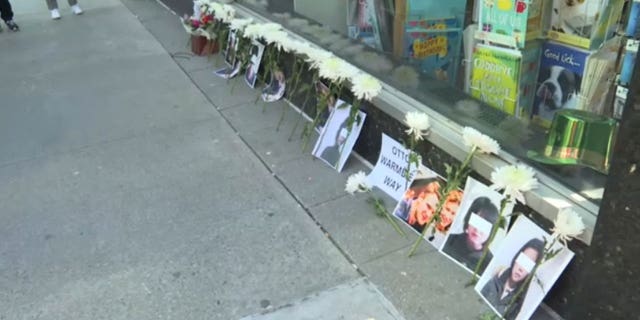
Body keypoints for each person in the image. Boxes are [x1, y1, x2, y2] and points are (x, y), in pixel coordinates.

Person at [480, 238, 545, 320]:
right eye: (523, 260)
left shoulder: (519, 301)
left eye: (528, 264)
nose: (521, 268)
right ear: (516, 258)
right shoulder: (495, 279)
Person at [441, 196, 499, 273]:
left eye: (484, 225)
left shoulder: (490, 264)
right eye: (476, 221)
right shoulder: (449, 240)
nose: (477, 229)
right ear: (469, 219)